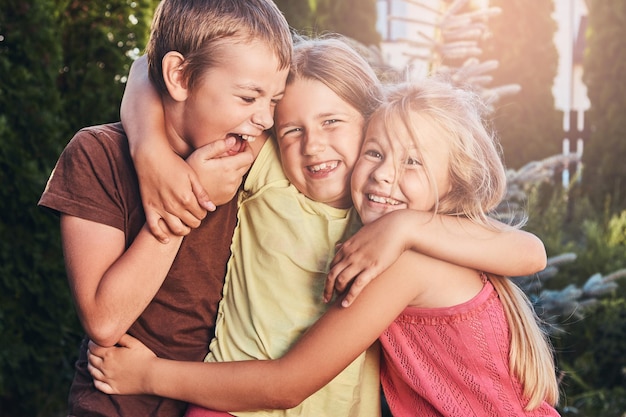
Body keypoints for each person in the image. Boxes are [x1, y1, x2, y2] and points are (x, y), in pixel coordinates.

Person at [89, 41, 555, 416]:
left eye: (412, 162)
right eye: (377, 153)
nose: (385, 174)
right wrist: (148, 147)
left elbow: (532, 252)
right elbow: (152, 65)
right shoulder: (299, 178)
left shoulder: (409, 250)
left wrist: (148, 375)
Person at [37, 0, 292, 415]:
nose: (265, 118)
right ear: (178, 76)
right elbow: (103, 320)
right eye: (248, 97)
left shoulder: (255, 156)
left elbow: (144, 67)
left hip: (216, 403)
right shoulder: (97, 154)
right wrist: (181, 210)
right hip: (115, 401)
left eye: (274, 101)